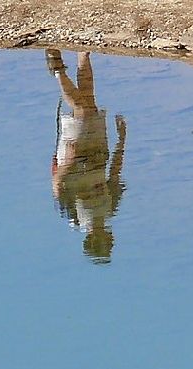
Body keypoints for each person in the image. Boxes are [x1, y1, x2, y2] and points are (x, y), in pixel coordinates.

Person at [47, 50, 128, 265]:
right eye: (107, 242)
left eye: (102, 242)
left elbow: (57, 185)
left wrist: (69, 161)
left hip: (76, 155)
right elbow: (115, 173)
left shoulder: (74, 217)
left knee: (83, 109)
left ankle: (58, 70)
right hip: (99, 151)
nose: (107, 238)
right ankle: (82, 55)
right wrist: (122, 140)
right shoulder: (110, 209)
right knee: (89, 99)